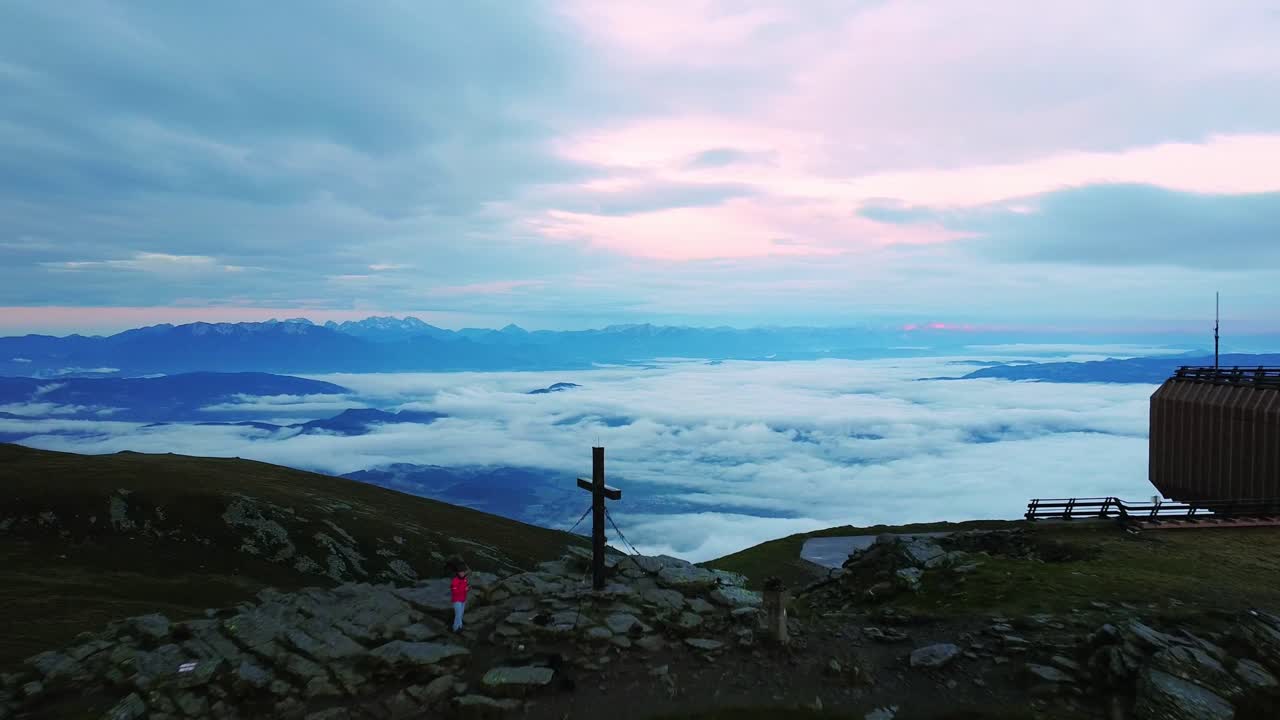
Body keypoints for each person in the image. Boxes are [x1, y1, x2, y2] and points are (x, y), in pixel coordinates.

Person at [450, 561, 470, 633]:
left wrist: (467, 589)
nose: (462, 573)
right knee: (458, 615)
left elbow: (464, 589)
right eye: (460, 572)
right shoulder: (455, 580)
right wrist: (464, 589)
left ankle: (457, 628)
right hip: (457, 600)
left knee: (460, 614)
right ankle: (457, 628)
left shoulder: (464, 579)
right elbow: (454, 591)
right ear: (458, 572)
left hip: (463, 600)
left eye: (463, 572)